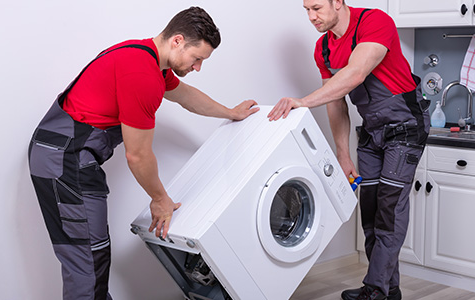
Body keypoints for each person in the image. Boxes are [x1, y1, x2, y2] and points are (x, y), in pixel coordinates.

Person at [28, 6, 258, 300]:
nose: (198, 67)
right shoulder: (142, 75)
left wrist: (230, 112)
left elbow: (186, 96)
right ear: (177, 40)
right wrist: (161, 199)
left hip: (61, 154)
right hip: (65, 161)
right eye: (197, 58)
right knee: (87, 257)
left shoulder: (144, 55)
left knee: (89, 254)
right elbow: (137, 155)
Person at [268, 1, 429, 299]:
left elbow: (355, 74)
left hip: (404, 127)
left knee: (389, 209)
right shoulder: (324, 49)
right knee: (370, 209)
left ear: (338, 2)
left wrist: (302, 102)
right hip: (371, 130)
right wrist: (342, 154)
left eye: (316, 7)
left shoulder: (374, 21)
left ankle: (376, 288)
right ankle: (388, 289)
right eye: (306, 10)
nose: (311, 16)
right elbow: (336, 101)